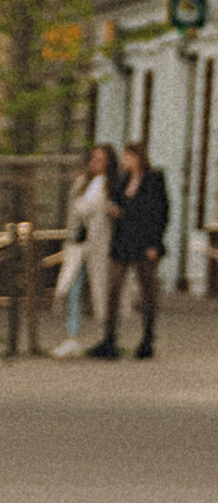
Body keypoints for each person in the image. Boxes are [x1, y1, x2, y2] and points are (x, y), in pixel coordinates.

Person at [105, 140, 169, 360]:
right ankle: (109, 338)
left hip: (144, 243)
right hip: (122, 242)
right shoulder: (124, 181)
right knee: (114, 288)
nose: (125, 161)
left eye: (128, 157)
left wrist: (154, 243)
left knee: (147, 291)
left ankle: (147, 339)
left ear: (138, 157)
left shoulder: (154, 180)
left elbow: (159, 213)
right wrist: (115, 210)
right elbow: (119, 204)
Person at [55, 145, 115, 357]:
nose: (96, 163)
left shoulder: (111, 185)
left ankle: (105, 336)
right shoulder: (82, 183)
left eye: (101, 159)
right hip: (78, 244)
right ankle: (73, 335)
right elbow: (75, 212)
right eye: (93, 159)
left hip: (100, 245)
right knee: (72, 287)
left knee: (101, 290)